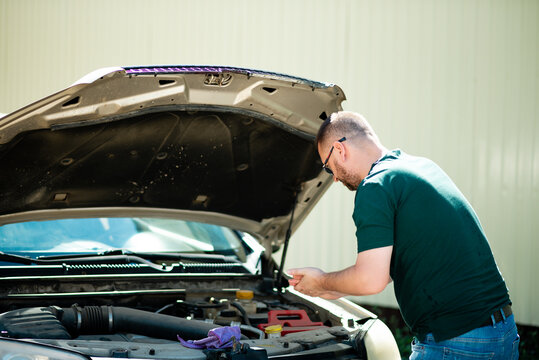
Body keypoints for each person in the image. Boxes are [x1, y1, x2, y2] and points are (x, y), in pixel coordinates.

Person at [288, 111, 519, 359]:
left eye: (328, 166)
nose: (334, 177)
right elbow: (391, 267)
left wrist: (321, 280)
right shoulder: (419, 167)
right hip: (501, 332)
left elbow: (371, 279)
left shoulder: (376, 185)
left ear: (339, 150)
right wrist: (329, 290)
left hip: (457, 341)